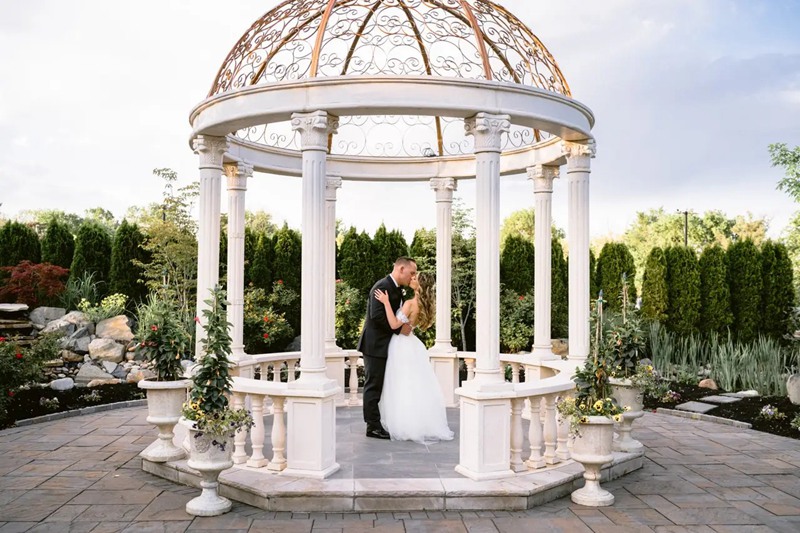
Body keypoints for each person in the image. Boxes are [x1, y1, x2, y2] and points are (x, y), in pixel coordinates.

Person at [373, 271, 454, 444]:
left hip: (401, 344)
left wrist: (386, 303)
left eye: (415, 278)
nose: (412, 278)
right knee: (411, 384)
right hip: (412, 344)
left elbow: (394, 324)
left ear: (420, 285)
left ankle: (402, 423)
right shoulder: (423, 305)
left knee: (400, 383)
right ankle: (414, 421)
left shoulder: (410, 303)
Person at [357, 257, 416, 439]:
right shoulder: (382, 287)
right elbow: (376, 317)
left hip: (386, 345)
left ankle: (378, 422)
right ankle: (372, 426)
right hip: (375, 345)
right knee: (373, 386)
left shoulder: (397, 290)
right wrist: (399, 328)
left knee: (381, 385)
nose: (413, 277)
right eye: (411, 272)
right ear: (400, 269)